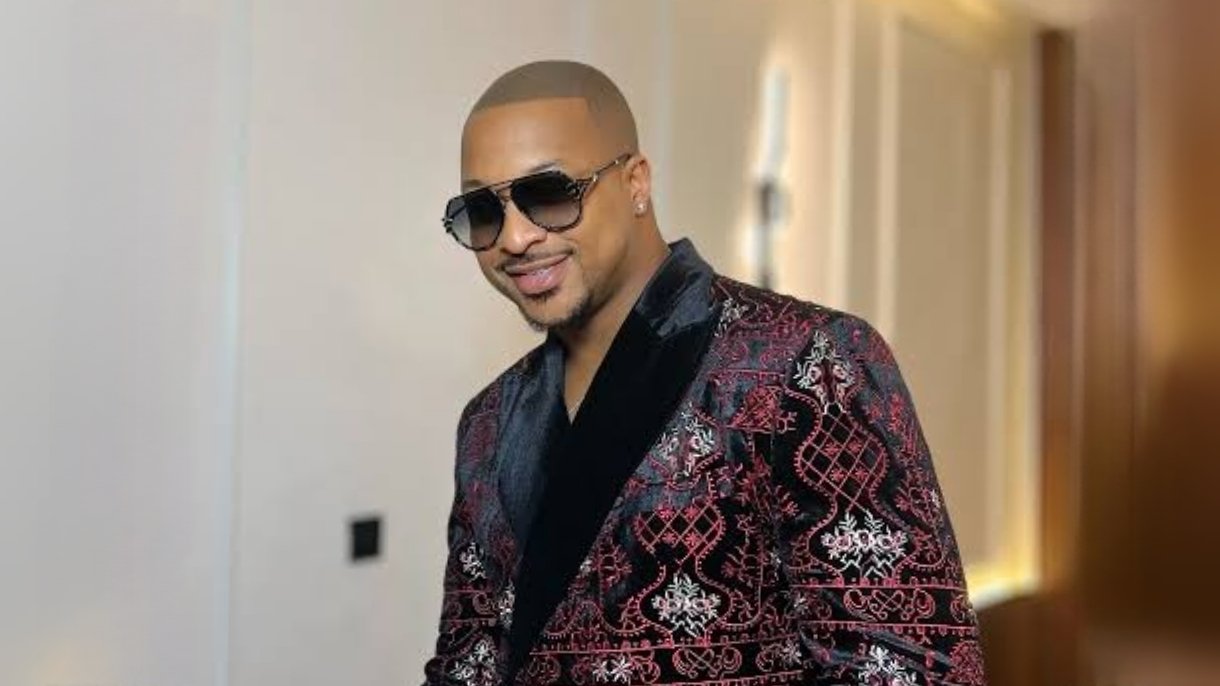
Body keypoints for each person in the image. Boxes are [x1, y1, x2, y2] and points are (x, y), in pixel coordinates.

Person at [422, 60, 984, 686]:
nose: (515, 237)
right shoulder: (489, 421)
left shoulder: (807, 360)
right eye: (482, 211)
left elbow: (907, 668)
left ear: (636, 182)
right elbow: (468, 664)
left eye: (549, 193)